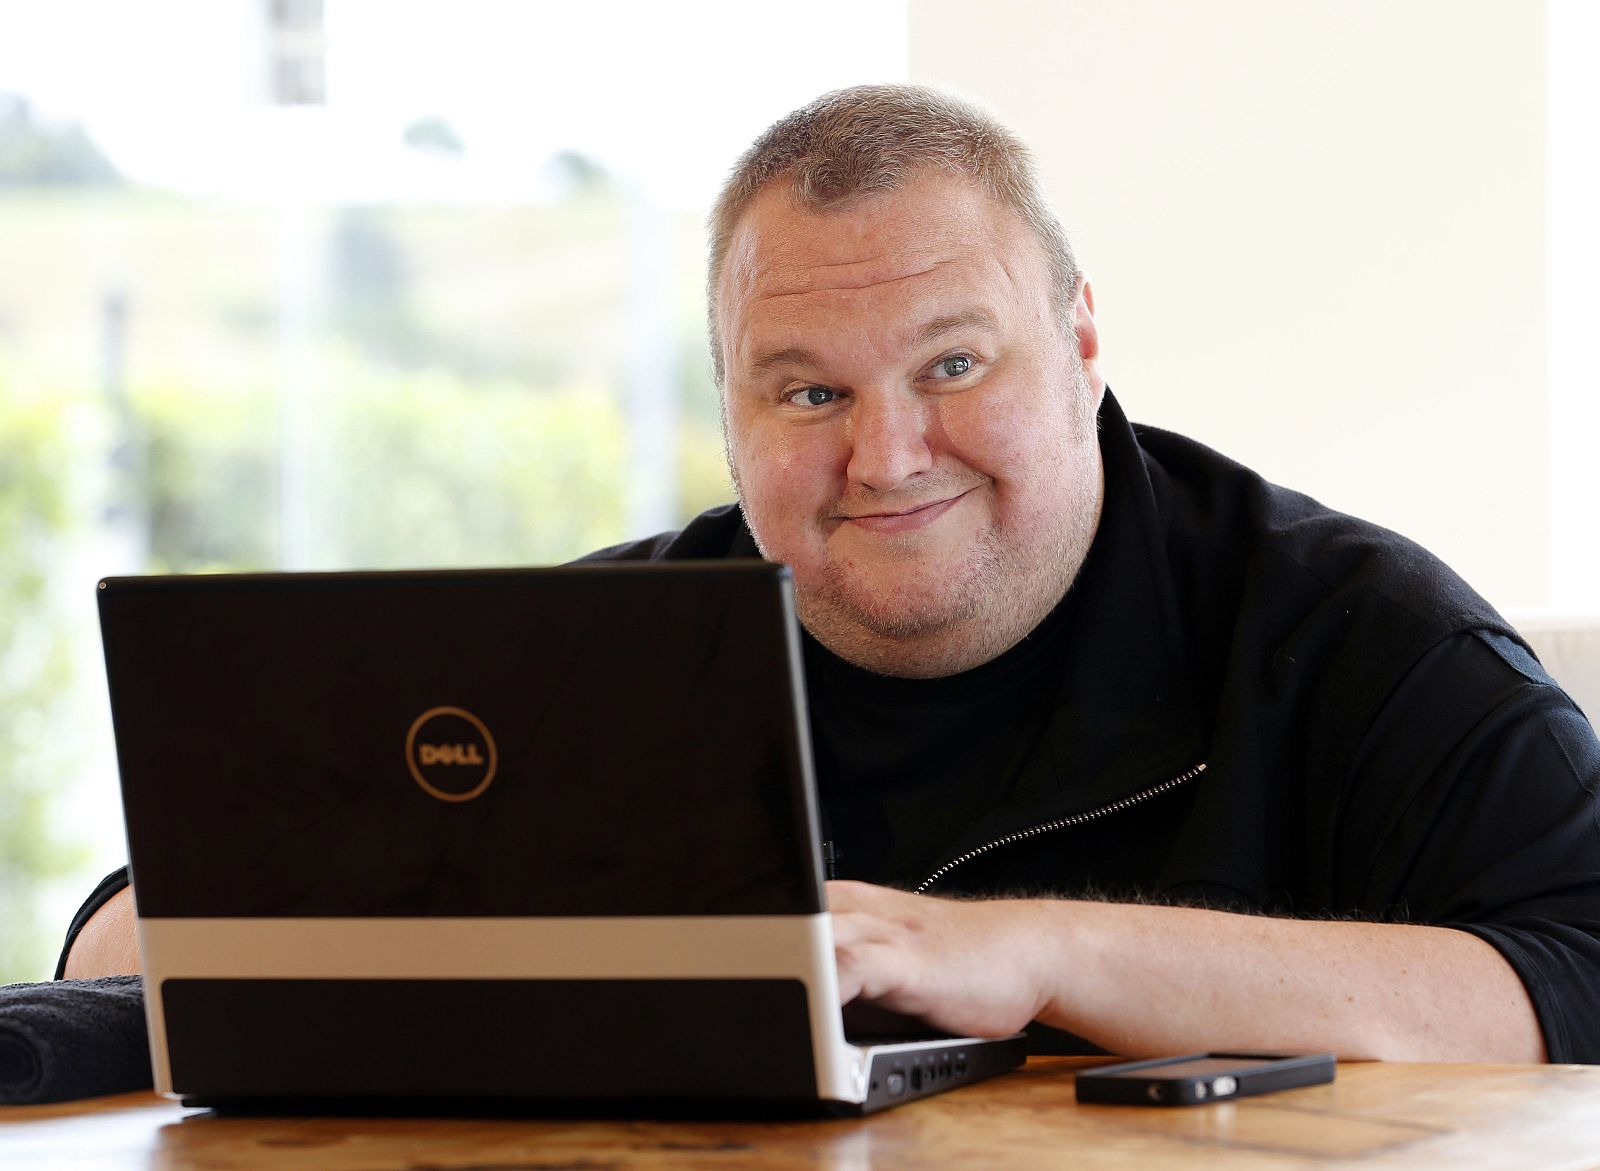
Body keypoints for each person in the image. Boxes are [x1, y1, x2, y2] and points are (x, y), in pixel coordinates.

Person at [61, 84, 1600, 1063]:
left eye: (951, 363)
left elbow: (1579, 972)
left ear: (1077, 341)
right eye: (806, 393)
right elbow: (121, 940)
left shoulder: (1354, 633)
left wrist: (1036, 950)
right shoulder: (600, 651)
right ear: (729, 406)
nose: (888, 453)